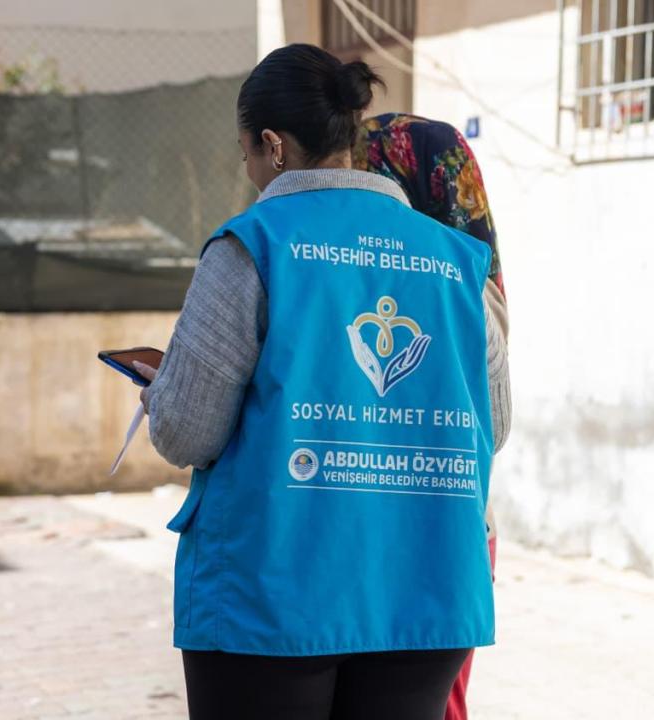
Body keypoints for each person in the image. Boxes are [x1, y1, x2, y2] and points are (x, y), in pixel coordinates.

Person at [131, 44, 511, 719]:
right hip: (426, 594)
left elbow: (187, 433)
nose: (248, 170)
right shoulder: (458, 261)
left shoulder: (253, 245)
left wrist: (165, 393)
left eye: (245, 153)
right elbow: (495, 424)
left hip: (274, 598)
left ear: (272, 144)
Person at [356, 112, 510, 720]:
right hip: (455, 524)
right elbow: (496, 427)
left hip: (359, 527)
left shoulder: (319, 266)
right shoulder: (469, 281)